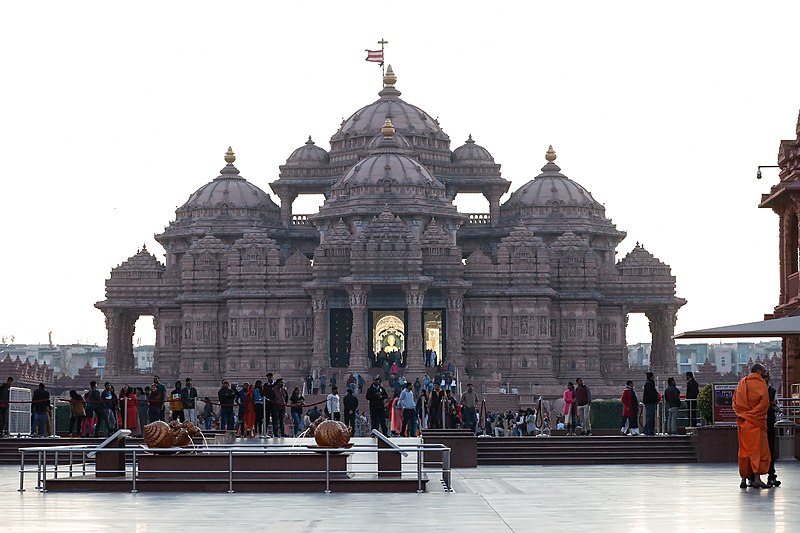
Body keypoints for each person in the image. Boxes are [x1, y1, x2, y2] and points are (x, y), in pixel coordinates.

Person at [732, 363, 771, 489]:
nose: (766, 373)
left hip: (743, 422)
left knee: (744, 451)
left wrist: (745, 414)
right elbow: (764, 404)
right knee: (757, 451)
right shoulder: (761, 384)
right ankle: (757, 479)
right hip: (756, 422)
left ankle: (743, 478)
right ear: (759, 371)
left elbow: (735, 403)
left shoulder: (742, 383)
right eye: (764, 371)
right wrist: (752, 414)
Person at [765, 371, 781, 487]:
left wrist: (774, 405)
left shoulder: (772, 391)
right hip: (757, 424)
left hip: (769, 423)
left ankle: (771, 475)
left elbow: (777, 408)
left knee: (770, 449)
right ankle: (752, 476)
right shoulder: (754, 391)